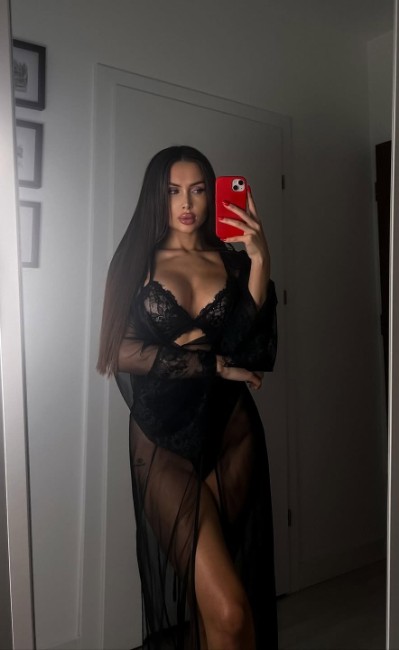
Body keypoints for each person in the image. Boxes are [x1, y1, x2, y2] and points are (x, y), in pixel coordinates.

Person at [97, 145, 278, 650]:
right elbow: (118, 351)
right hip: (163, 444)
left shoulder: (233, 262)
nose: (186, 203)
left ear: (212, 194)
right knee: (229, 609)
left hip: (232, 435)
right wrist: (209, 363)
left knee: (219, 609)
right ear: (156, 197)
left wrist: (260, 259)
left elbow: (250, 348)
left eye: (198, 190)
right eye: (173, 190)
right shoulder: (135, 263)